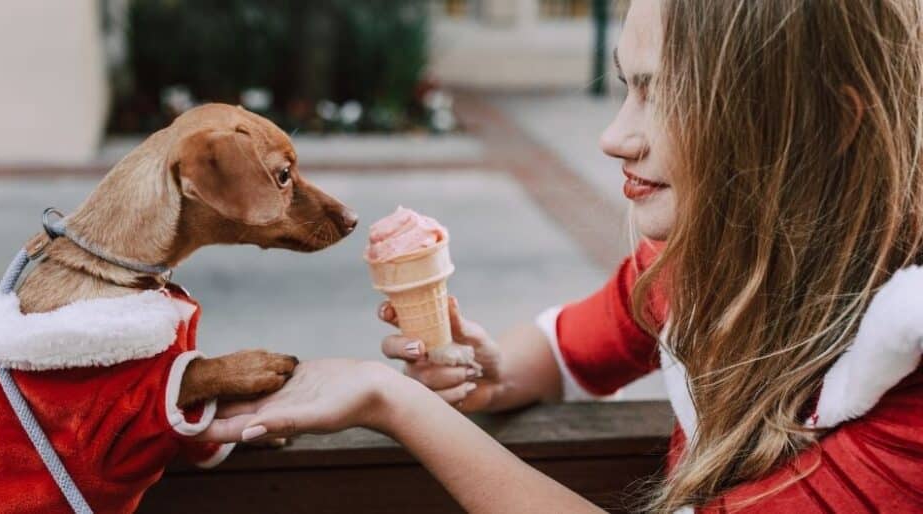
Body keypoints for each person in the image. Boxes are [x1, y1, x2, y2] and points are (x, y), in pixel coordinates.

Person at [197, 1, 923, 511]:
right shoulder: (695, 267)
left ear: (829, 124)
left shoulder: (906, 371)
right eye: (625, 85)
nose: (613, 135)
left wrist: (400, 405)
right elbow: (563, 349)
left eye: (664, 95)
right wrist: (478, 371)